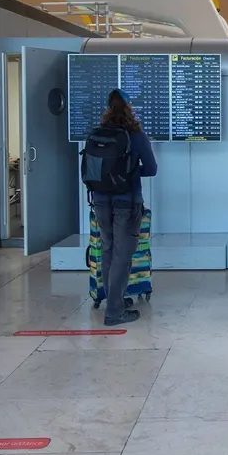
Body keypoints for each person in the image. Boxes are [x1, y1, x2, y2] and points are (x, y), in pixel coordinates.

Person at [90, 89, 157, 326]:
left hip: (99, 199)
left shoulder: (97, 132)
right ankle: (115, 311)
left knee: (107, 249)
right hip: (126, 201)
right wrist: (129, 171)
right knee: (122, 255)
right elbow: (151, 169)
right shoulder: (136, 135)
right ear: (130, 108)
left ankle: (113, 299)